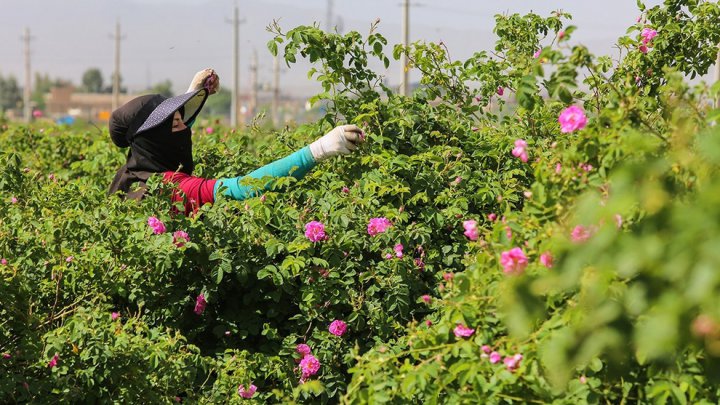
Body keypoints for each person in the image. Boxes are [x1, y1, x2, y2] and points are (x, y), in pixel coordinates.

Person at [108, 69, 364, 214]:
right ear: (155, 140)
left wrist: (195, 94)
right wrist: (317, 150)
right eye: (175, 124)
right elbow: (242, 189)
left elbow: (167, 137)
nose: (184, 127)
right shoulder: (174, 187)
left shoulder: (132, 172)